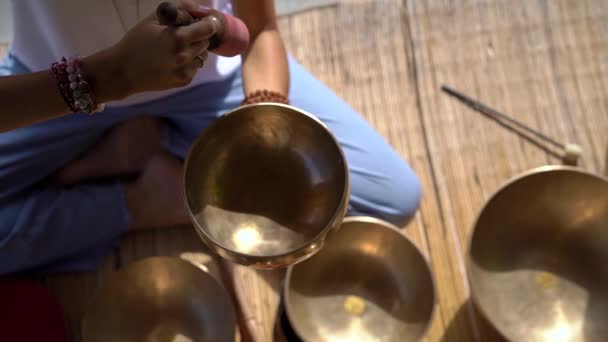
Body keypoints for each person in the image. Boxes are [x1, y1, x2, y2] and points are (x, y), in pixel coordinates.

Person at [0, 0, 422, 274]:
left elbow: (259, 30)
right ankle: (143, 201)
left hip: (207, 84)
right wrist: (114, 77)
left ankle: (133, 151)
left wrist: (262, 116)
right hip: (56, 88)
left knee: (390, 200)